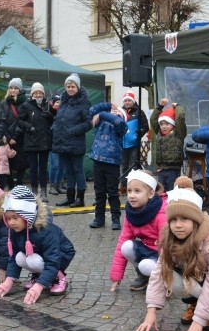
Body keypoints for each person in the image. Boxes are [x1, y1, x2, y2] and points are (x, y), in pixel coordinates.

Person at [136, 176, 209, 331]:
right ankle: (195, 303)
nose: (178, 225)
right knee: (169, 274)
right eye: (174, 220)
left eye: (184, 219)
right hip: (195, 274)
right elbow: (158, 274)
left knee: (202, 285)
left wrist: (199, 322)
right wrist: (151, 311)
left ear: (195, 221)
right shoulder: (171, 237)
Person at [0, 185, 76, 304]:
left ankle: (59, 277)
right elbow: (13, 256)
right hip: (39, 254)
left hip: (61, 255)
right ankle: (39, 275)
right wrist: (8, 280)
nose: (11, 222)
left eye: (15, 218)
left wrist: (39, 286)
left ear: (28, 216)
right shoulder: (15, 229)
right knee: (19, 257)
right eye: (8, 218)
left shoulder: (46, 231)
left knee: (35, 261)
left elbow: (53, 260)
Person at [110, 169, 167, 292]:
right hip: (148, 251)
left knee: (145, 266)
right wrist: (116, 277)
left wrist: (168, 278)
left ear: (151, 193)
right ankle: (144, 277)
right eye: (129, 191)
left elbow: (166, 246)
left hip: (166, 255)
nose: (131, 195)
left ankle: (161, 279)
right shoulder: (131, 213)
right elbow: (122, 242)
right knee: (126, 246)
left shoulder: (161, 213)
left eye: (137, 191)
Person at [53, 74, 92, 208]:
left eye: (73, 86)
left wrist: (73, 130)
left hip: (75, 142)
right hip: (62, 141)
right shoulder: (64, 100)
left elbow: (88, 123)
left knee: (77, 170)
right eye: (68, 86)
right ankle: (70, 197)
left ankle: (80, 199)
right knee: (68, 171)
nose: (70, 89)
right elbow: (60, 119)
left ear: (78, 87)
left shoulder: (84, 102)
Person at [87, 101, 127, 229]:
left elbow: (118, 121)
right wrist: (107, 105)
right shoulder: (101, 123)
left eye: (118, 112)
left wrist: (104, 114)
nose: (114, 113)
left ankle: (115, 219)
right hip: (98, 160)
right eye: (113, 111)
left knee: (112, 192)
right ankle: (99, 218)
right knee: (99, 192)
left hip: (112, 163)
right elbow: (91, 111)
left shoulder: (121, 125)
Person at [17, 82, 53, 200]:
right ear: (32, 94)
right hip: (31, 141)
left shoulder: (47, 104)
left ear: (43, 93)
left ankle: (43, 191)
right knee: (33, 168)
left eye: (40, 93)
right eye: (35, 93)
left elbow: (53, 120)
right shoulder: (26, 105)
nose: (38, 95)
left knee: (43, 168)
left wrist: (49, 116)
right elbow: (20, 121)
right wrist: (29, 127)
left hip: (44, 141)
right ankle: (34, 191)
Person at [148, 99, 186, 192]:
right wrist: (159, 107)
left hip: (173, 169)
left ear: (173, 124)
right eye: (161, 124)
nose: (163, 126)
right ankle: (163, 207)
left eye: (167, 124)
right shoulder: (159, 133)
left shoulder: (178, 133)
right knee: (161, 192)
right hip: (161, 169)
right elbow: (153, 119)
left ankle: (171, 206)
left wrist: (178, 107)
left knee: (172, 191)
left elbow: (180, 118)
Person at [0, 77, 30, 188]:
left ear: (20, 90)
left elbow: (24, 121)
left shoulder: (26, 103)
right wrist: (7, 137)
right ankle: (11, 185)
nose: (13, 90)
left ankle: (20, 185)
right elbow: (1, 120)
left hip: (21, 138)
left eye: (15, 88)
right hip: (7, 139)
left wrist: (15, 136)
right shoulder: (4, 103)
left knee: (21, 163)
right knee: (8, 163)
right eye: (11, 88)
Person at [117, 90, 148, 195]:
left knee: (134, 166)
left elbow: (145, 126)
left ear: (133, 101)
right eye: (125, 100)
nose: (127, 102)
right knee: (124, 166)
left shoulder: (139, 112)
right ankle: (124, 187)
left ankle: (133, 186)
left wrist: (139, 134)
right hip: (123, 143)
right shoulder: (120, 112)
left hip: (134, 143)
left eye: (129, 100)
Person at [47, 94, 66, 195]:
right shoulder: (49, 114)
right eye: (57, 102)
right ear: (53, 103)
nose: (59, 104)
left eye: (61, 102)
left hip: (63, 144)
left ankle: (59, 185)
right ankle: (52, 186)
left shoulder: (65, 114)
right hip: (53, 144)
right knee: (55, 165)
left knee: (62, 166)